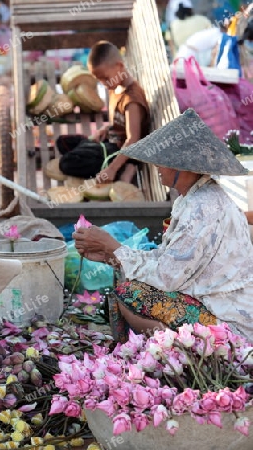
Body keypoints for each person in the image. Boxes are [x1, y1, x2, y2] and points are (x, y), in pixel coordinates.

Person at [73, 108, 253, 343]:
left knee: (130, 294)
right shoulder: (192, 198)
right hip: (217, 301)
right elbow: (168, 259)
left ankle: (186, 351)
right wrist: (111, 255)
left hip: (229, 319)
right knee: (127, 282)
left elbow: (167, 278)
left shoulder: (202, 206)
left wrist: (115, 250)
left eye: (163, 162)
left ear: (182, 167)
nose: (157, 167)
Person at [52, 40, 150, 184]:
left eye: (105, 78)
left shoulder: (132, 101)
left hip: (120, 153)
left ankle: (125, 169)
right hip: (109, 140)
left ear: (120, 66)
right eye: (99, 80)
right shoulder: (115, 87)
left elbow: (133, 140)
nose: (103, 83)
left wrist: (112, 169)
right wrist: (106, 128)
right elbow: (118, 122)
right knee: (62, 142)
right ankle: (88, 151)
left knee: (66, 163)